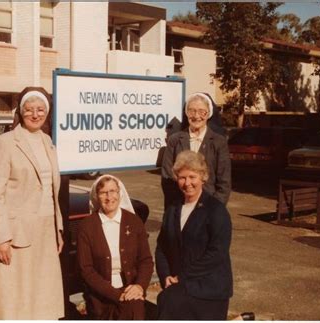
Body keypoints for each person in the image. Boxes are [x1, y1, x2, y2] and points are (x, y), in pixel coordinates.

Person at [0, 86, 64, 320]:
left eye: (40, 109)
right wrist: (0, 238)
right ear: (21, 111)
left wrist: (58, 230)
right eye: (29, 109)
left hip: (46, 231)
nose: (35, 114)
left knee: (41, 298)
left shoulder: (48, 141)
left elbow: (51, 191)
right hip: (15, 234)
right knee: (14, 301)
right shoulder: (6, 142)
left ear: (47, 112)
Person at [155, 150, 233, 320]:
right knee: (166, 300)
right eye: (182, 177)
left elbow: (217, 254)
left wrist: (181, 277)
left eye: (192, 177)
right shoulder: (173, 209)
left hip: (209, 289)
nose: (187, 183)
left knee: (169, 302)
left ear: (203, 177)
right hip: (179, 284)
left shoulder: (216, 210)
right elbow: (161, 247)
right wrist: (166, 275)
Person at [77, 175, 154, 320]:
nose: (109, 197)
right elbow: (86, 270)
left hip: (130, 288)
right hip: (101, 295)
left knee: (134, 309)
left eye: (113, 191)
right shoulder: (86, 226)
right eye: (103, 192)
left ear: (119, 193)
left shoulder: (134, 221)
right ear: (96, 196)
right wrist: (117, 295)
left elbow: (146, 260)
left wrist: (139, 286)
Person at [161, 92, 231, 207]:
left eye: (202, 111)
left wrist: (214, 208)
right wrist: (176, 206)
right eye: (191, 111)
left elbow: (224, 183)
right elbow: (167, 177)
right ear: (186, 113)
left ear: (208, 114)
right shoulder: (175, 140)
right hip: (179, 204)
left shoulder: (219, 142)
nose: (196, 116)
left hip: (209, 205)